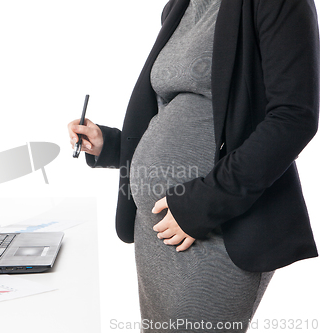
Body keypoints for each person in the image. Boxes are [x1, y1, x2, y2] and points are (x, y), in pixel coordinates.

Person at [67, 0, 319, 332]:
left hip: (218, 226)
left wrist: (200, 206)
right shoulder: (180, 5)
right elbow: (169, 111)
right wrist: (109, 145)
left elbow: (293, 118)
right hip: (158, 229)